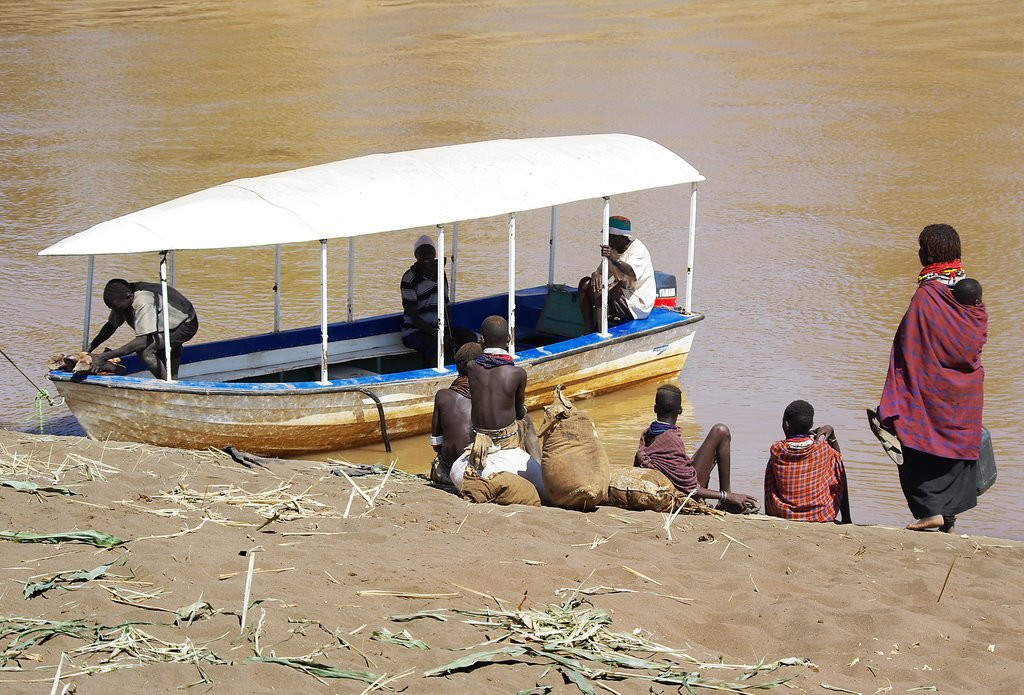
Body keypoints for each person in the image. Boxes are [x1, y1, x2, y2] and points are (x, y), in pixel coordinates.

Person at [877, 224, 987, 533]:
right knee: (954, 452)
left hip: (930, 390)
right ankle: (948, 517)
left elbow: (910, 345)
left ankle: (931, 512)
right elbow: (975, 340)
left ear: (927, 253)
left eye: (921, 247)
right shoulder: (969, 292)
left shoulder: (927, 297)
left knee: (916, 443)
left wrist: (899, 388)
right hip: (964, 392)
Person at [449, 315, 545, 501]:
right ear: (509, 339)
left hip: (474, 458)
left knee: (458, 470)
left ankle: (483, 488)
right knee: (527, 422)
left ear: (482, 340)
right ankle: (538, 467)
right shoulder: (518, 373)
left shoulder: (471, 367)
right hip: (508, 455)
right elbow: (518, 413)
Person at [634, 384, 758, 512]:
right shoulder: (672, 440)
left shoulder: (649, 432)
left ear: (655, 408)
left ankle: (725, 498)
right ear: (680, 410)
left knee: (713, 450)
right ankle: (726, 498)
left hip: (671, 482)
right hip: (682, 491)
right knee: (721, 431)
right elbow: (692, 489)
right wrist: (727, 496)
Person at [87, 278, 198, 379]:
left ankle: (168, 386)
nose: (117, 312)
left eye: (118, 308)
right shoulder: (123, 299)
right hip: (166, 321)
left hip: (185, 323)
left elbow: (142, 341)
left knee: (145, 350)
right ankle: (173, 380)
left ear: (129, 296)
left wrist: (104, 357)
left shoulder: (143, 301)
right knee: (157, 346)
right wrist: (88, 349)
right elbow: (111, 325)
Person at [763, 400, 851, 524]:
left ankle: (769, 511)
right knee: (836, 464)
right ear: (811, 425)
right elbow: (839, 463)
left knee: (771, 465)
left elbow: (793, 444)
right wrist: (832, 435)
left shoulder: (777, 449)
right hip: (820, 514)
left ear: (786, 424)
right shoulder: (822, 449)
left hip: (783, 512)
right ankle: (847, 518)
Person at [400, 235, 474, 366]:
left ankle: (466, 374)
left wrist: (449, 331)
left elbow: (445, 305)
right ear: (415, 255)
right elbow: (415, 318)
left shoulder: (441, 272)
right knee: (435, 346)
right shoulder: (409, 278)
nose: (426, 255)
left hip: (439, 328)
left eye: (429, 252)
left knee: (470, 338)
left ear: (435, 253)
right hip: (415, 332)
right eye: (422, 252)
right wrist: (440, 337)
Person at [577, 216, 656, 332]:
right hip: (621, 294)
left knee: (602, 289)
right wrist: (596, 274)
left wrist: (614, 259)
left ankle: (601, 331)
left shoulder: (638, 250)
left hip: (637, 303)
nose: (606, 241)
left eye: (609, 238)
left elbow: (630, 272)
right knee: (586, 283)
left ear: (619, 238)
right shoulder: (613, 251)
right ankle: (588, 329)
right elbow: (601, 273)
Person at [429, 342, 482, 485]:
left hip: (449, 470)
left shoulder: (442, 395)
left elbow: (436, 444)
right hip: (479, 469)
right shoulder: (488, 395)